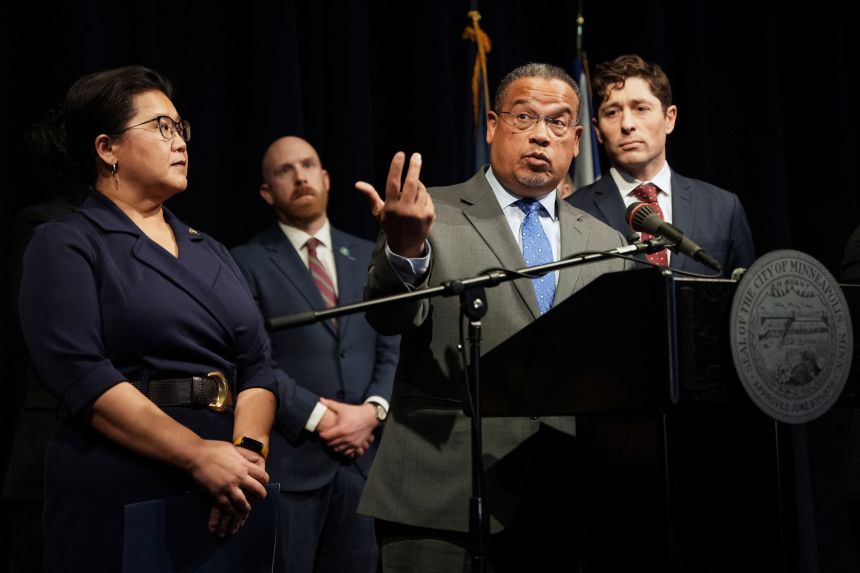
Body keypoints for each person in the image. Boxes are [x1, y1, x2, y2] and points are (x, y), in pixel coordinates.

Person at [355, 62, 631, 571]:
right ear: (491, 125)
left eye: (557, 123)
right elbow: (390, 318)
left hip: (567, 500)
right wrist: (405, 245)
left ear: (575, 141)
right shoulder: (426, 213)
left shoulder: (606, 243)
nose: (540, 137)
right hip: (442, 497)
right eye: (524, 117)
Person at [17, 65, 278, 572]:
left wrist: (245, 460)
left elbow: (259, 365)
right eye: (161, 126)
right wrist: (198, 456)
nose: (179, 140)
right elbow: (82, 374)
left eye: (181, 128)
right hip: (126, 481)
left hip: (232, 491)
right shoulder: (67, 242)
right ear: (107, 148)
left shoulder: (213, 251)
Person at [231, 135, 399, 573]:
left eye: (308, 165)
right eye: (285, 170)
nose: (300, 176)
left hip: (365, 465)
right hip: (292, 464)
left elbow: (392, 344)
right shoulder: (244, 261)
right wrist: (320, 417)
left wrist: (373, 410)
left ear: (325, 178)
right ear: (267, 192)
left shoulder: (368, 253)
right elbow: (251, 359)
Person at [567, 54, 755, 276]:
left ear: (669, 118)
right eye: (612, 112)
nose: (627, 124)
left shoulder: (723, 208)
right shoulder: (573, 213)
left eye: (641, 108)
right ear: (597, 130)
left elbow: (747, 302)